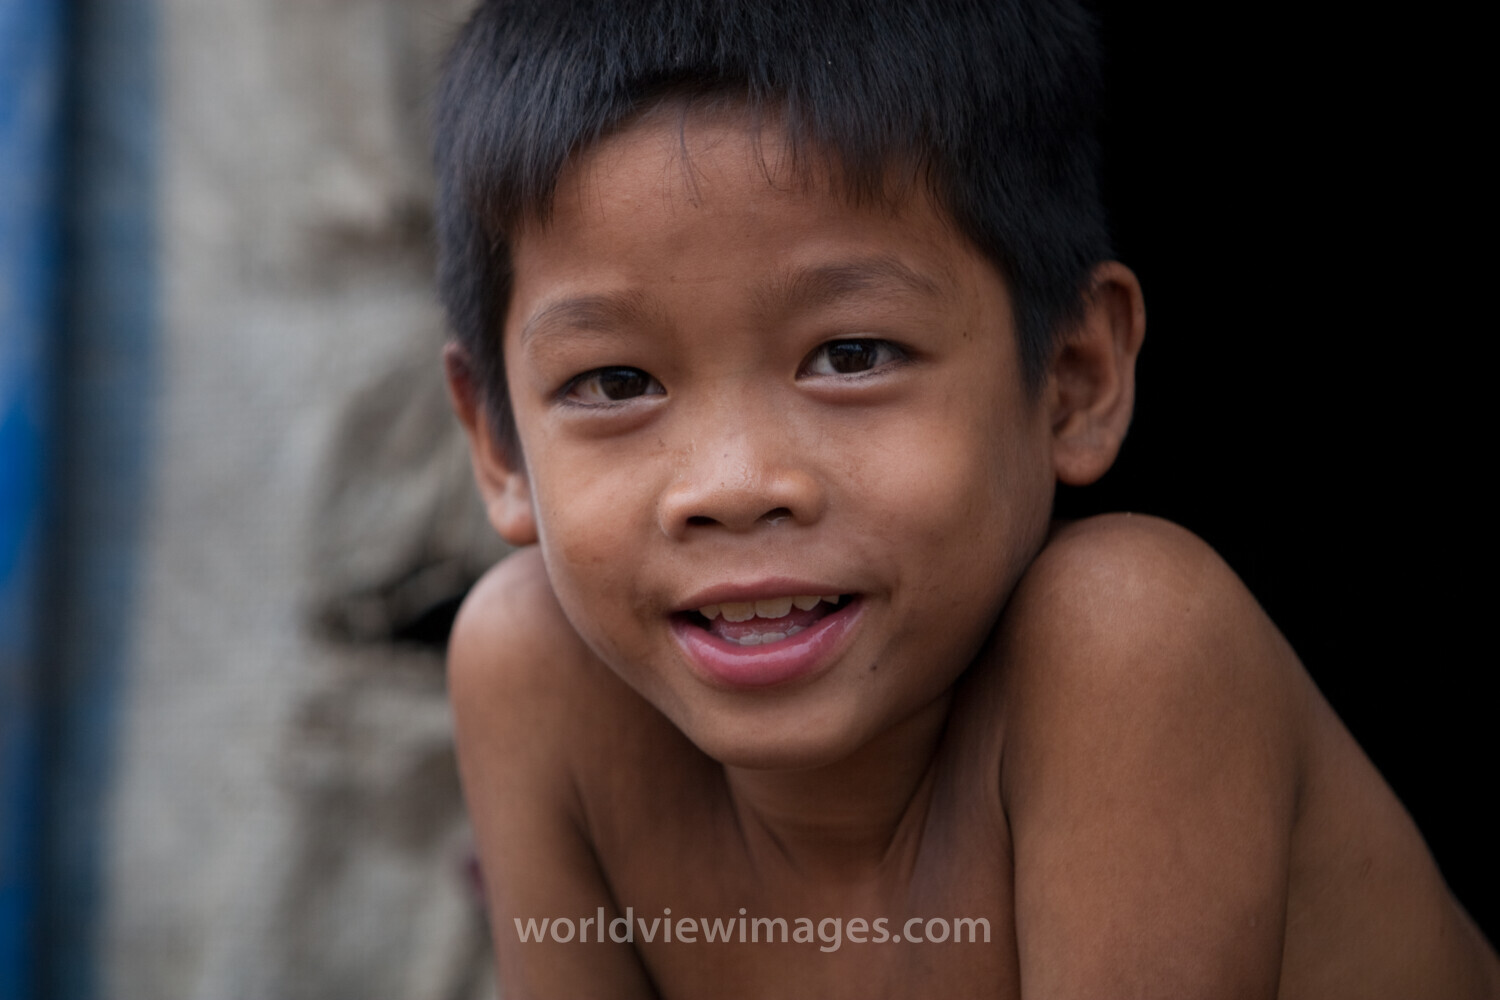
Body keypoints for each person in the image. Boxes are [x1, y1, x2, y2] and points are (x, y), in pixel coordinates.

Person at [432, 1, 1500, 996]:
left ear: (1075, 378)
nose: (736, 485)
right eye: (615, 384)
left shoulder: (1127, 643)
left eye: (852, 354)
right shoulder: (531, 675)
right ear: (498, 443)